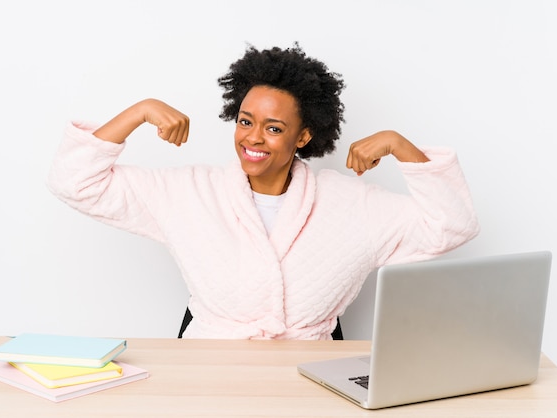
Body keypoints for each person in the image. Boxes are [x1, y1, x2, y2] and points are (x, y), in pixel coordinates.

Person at [47, 44, 479, 340]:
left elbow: (451, 227)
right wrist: (136, 112)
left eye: (274, 128)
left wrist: (402, 147)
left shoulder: (352, 205)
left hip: (309, 382)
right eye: (245, 121)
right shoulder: (189, 192)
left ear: (304, 136)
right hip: (206, 379)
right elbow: (75, 182)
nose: (253, 138)